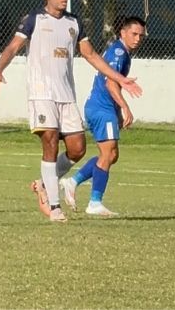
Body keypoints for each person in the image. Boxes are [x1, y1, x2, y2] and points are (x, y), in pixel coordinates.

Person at [0, 0, 142, 223]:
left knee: (77, 148)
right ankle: (54, 206)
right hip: (41, 94)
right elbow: (12, 47)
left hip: (66, 96)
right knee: (50, 142)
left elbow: (90, 54)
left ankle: (43, 184)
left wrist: (120, 79)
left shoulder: (74, 22)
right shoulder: (34, 20)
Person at [53, 16, 147, 217]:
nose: (138, 38)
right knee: (107, 154)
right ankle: (94, 202)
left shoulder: (122, 53)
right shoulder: (119, 53)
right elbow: (110, 83)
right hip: (101, 109)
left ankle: (72, 182)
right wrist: (125, 108)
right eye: (134, 34)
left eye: (141, 35)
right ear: (123, 33)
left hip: (103, 108)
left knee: (111, 155)